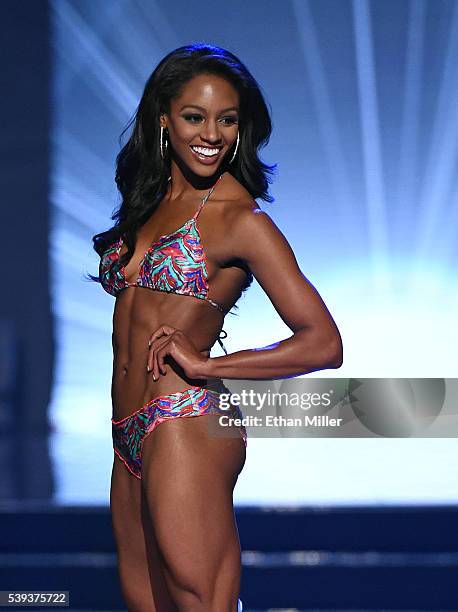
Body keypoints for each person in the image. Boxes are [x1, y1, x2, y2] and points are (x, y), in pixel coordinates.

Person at [90, 43, 343, 612]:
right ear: (164, 119)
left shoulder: (239, 219)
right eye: (194, 116)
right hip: (126, 428)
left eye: (228, 119)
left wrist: (211, 366)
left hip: (183, 421)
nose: (212, 134)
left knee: (201, 602)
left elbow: (324, 342)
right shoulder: (149, 203)